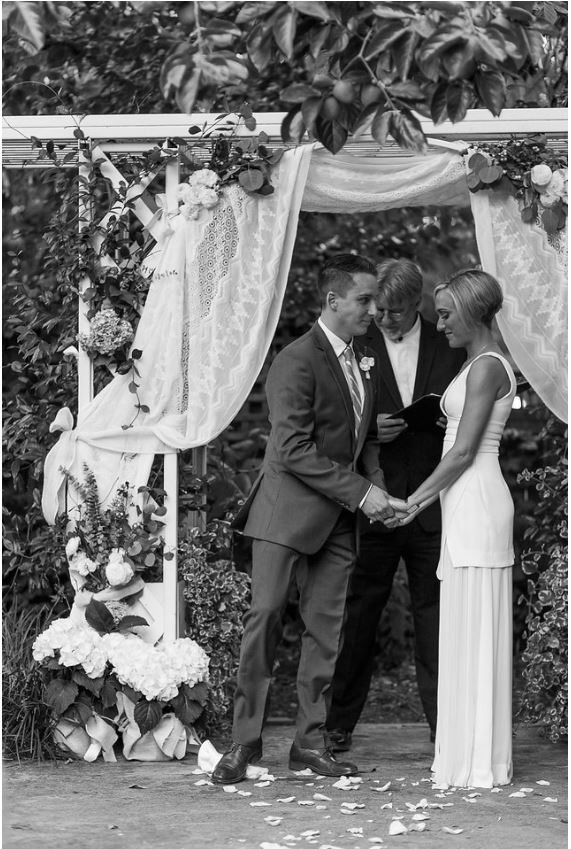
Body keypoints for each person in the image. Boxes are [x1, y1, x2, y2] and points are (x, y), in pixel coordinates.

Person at [212, 254, 405, 785]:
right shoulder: (295, 361)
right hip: (285, 515)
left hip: (340, 520)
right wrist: (363, 493)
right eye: (365, 300)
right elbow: (293, 449)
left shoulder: (367, 357)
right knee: (265, 621)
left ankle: (309, 744)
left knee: (327, 634)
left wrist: (377, 486)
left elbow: (360, 440)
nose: (375, 309)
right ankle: (244, 742)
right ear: (333, 301)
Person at [327, 259, 465, 750]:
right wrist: (369, 427)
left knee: (436, 620)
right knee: (361, 615)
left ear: (418, 304)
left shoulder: (452, 343)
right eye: (379, 309)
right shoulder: (356, 345)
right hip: (376, 499)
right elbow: (334, 420)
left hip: (434, 499)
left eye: (396, 311)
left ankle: (443, 726)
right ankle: (337, 723)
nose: (385, 318)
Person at [396, 269, 516, 788]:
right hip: (461, 500)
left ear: (470, 310)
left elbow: (466, 450)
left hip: (477, 498)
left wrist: (414, 501)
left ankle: (478, 758)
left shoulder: (488, 367)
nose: (438, 323)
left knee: (476, 621)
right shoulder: (473, 367)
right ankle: (464, 751)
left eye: (446, 313)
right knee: (462, 621)